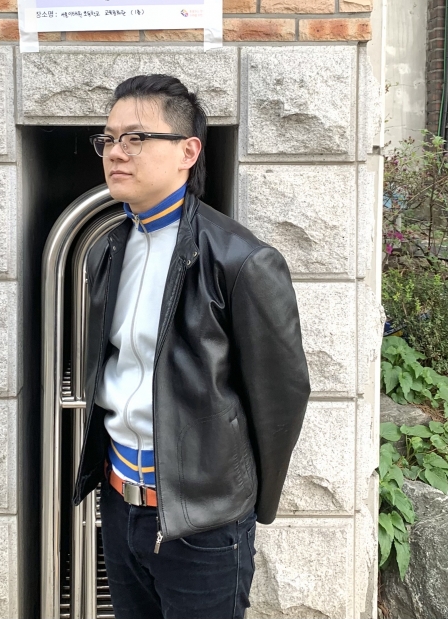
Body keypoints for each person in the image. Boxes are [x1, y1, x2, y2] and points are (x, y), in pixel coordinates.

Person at [74, 74, 310, 619]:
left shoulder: (240, 259)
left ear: (188, 151)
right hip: (120, 502)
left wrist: (237, 505)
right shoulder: (111, 247)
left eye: (135, 138)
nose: (116, 153)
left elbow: (283, 396)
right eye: (108, 140)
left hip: (203, 522)